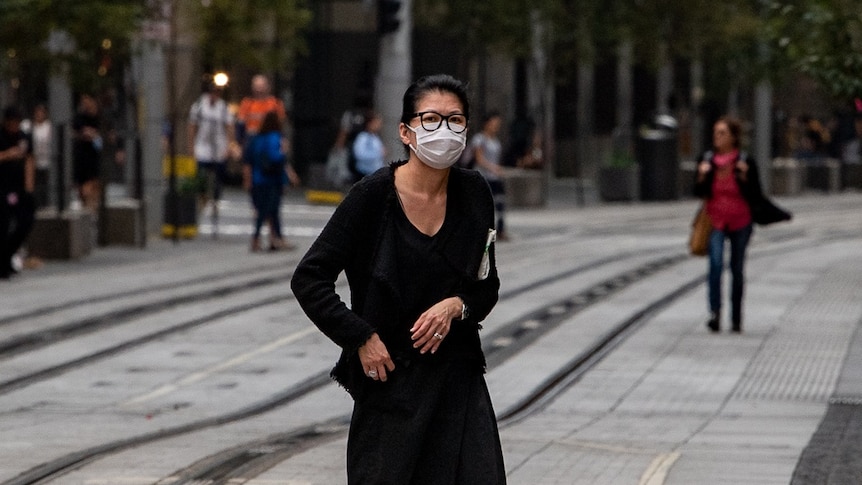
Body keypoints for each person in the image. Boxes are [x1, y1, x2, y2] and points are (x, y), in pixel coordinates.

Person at [291, 74, 506, 484]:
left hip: (457, 384)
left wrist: (456, 306)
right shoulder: (371, 198)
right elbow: (309, 278)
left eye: (455, 120)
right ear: (405, 132)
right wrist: (360, 337)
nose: (443, 130)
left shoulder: (474, 193)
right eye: (430, 119)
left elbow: (486, 285)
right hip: (390, 384)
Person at [693, 116, 791, 333]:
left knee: (737, 269)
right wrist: (701, 177)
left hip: (741, 221)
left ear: (734, 137)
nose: (717, 137)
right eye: (715, 133)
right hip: (715, 220)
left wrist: (745, 177)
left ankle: (736, 318)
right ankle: (715, 313)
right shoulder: (707, 160)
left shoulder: (745, 161)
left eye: (722, 133)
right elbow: (698, 192)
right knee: (715, 265)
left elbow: (756, 195)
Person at [243, 111, 298, 252]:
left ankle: (272, 238)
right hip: (272, 179)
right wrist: (284, 150)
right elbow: (277, 158)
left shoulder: (256, 138)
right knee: (271, 210)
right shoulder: (275, 137)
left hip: (259, 179)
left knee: (264, 210)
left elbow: (249, 160)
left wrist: (248, 179)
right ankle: (268, 238)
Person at [188, 79, 235, 236]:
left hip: (218, 149)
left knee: (218, 182)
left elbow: (229, 127)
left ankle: (214, 201)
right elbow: (192, 127)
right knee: (200, 179)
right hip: (203, 148)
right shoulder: (199, 106)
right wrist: (191, 147)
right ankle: (204, 199)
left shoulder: (223, 108)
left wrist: (229, 146)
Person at [0, 106, 35, 279]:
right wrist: (8, 155)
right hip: (3, 187)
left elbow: (29, 159)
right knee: (4, 224)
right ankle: (3, 262)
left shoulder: (24, 137)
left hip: (19, 188)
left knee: (26, 221)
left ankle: (6, 257)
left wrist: (29, 186)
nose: (15, 126)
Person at [471, 111, 508, 240]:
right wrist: (493, 168)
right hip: (484, 176)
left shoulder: (496, 141)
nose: (496, 126)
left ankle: (500, 230)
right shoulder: (480, 139)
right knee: (483, 205)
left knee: (500, 204)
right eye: (494, 123)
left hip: (495, 177)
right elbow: (479, 159)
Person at [72, 94, 102, 211]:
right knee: (84, 186)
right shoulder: (79, 118)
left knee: (94, 184)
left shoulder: (100, 118)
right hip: (82, 156)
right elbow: (77, 132)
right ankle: (86, 208)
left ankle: (92, 209)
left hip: (95, 157)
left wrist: (95, 135)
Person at [237, 74, 286, 142]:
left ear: (267, 87)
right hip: (251, 138)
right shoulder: (247, 103)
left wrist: (283, 139)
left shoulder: (275, 103)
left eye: (261, 86)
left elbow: (281, 123)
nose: (259, 89)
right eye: (256, 86)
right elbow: (241, 122)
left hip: (270, 139)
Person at [21, 103, 52, 209]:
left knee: (45, 182)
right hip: (33, 159)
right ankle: (35, 203)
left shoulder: (48, 127)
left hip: (46, 159)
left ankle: (46, 203)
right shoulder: (28, 125)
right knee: (34, 183)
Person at [350, 109, 386, 179]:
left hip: (374, 173)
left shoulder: (375, 137)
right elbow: (360, 154)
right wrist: (378, 153)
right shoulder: (363, 137)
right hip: (364, 173)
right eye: (376, 123)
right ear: (370, 123)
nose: (379, 125)